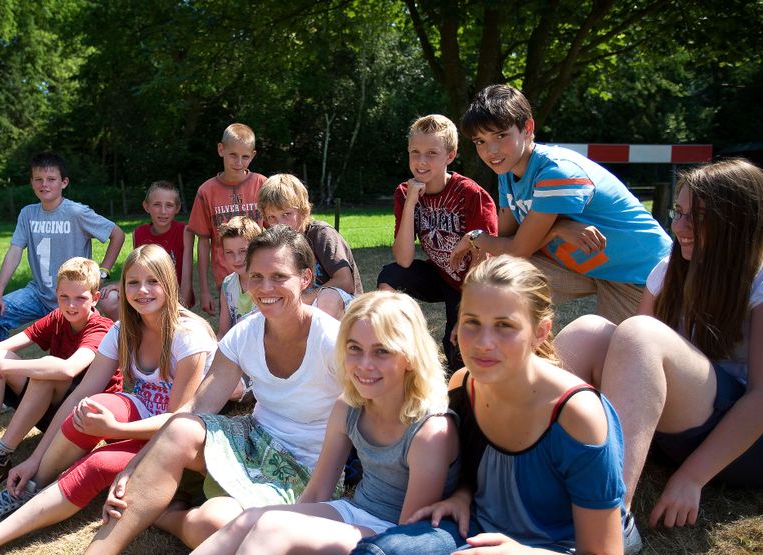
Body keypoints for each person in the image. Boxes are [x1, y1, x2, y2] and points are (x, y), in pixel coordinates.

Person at [67, 291, 461, 555]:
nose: (363, 364)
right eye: (354, 348)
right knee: (248, 521)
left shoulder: (430, 431)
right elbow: (319, 491)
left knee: (272, 529)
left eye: (382, 351)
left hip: (396, 541)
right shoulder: (350, 406)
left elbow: (407, 544)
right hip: (356, 513)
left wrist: (288, 540)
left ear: (410, 357)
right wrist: (272, 541)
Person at [10, 225, 343, 555]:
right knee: (183, 429)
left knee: (216, 526)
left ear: (305, 278)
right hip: (253, 441)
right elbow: (196, 408)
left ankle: (165, 515)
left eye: (279, 277)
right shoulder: (244, 334)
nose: (265, 287)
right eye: (256, 276)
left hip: (301, 468)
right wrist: (134, 470)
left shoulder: (333, 341)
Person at [278, 255, 626, 555]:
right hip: (473, 538)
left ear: (541, 331)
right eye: (472, 323)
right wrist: (461, 493)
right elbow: (479, 466)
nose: (483, 342)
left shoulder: (577, 416)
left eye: (505, 326)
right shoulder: (466, 385)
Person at [0, 245, 217, 555]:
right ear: (122, 287)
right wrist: (34, 460)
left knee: (98, 465)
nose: (142, 291)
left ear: (170, 284)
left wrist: (116, 431)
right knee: (91, 406)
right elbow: (82, 393)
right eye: (133, 282)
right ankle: (32, 485)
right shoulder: (124, 328)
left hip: (179, 436)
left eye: (153, 281)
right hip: (143, 412)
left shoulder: (189, 336)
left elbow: (179, 419)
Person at [553, 158, 763, 547]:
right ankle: (521, 464)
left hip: (753, 442)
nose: (678, 226)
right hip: (675, 427)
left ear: (739, 220)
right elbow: (634, 357)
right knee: (588, 330)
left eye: (697, 217)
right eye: (679, 212)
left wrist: (691, 477)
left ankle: (611, 517)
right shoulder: (668, 268)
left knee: (640, 332)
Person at [450, 84, 671, 324]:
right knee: (499, 280)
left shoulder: (555, 171)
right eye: (480, 141)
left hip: (638, 274)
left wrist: (475, 237)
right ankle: (517, 354)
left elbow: (516, 249)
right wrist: (557, 229)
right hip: (588, 267)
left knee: (625, 351)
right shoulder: (507, 170)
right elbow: (506, 244)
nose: (491, 151)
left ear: (527, 128)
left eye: (501, 135)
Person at [0, 257, 116, 508]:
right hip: (50, 407)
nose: (71, 306)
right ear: (56, 294)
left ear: (95, 298)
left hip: (81, 418)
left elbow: (68, 368)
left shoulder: (101, 328)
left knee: (41, 372)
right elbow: (4, 346)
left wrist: (5, 366)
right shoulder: (58, 317)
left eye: (80, 298)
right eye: (64, 297)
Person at [378, 114, 497, 369]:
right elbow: (404, 258)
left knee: (456, 349)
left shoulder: (470, 193)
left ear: (450, 156)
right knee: (391, 274)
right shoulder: (404, 192)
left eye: (432, 153)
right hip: (441, 275)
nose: (421, 161)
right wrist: (411, 202)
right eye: (415, 152)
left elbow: (485, 257)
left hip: (472, 283)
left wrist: (467, 311)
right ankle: (389, 344)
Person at [0, 151, 126, 341]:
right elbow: (14, 252)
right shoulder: (27, 214)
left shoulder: (76, 212)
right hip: (38, 294)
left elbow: (117, 235)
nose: (44, 184)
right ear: (31, 182)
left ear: (64, 182)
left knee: (70, 352)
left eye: (51, 179)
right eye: (38, 179)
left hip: (72, 295)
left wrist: (103, 272)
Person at [186, 123, 267, 316]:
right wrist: (205, 290)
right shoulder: (206, 191)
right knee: (232, 333)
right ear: (221, 149)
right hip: (226, 280)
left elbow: (275, 232)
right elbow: (203, 242)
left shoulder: (263, 185)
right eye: (233, 155)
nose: (239, 162)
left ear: (253, 155)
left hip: (261, 276)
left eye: (245, 157)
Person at [260, 173, 363, 319]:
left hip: (346, 312)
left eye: (287, 214)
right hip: (302, 311)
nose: (280, 223)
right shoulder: (278, 245)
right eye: (272, 217)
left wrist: (300, 302)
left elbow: (345, 282)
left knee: (328, 297)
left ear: (302, 211)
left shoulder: (321, 234)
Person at [132, 181, 195, 309]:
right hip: (148, 297)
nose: (163, 211)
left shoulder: (185, 232)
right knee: (110, 297)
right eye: (157, 205)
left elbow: (187, 277)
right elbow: (136, 273)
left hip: (175, 299)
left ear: (177, 208)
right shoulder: (138, 233)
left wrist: (181, 309)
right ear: (146, 206)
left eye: (169, 205)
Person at [216, 215, 262, 338]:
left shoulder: (267, 283)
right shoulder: (227, 284)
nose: (237, 259)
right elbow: (223, 332)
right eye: (229, 252)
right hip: (237, 349)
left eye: (243, 251)